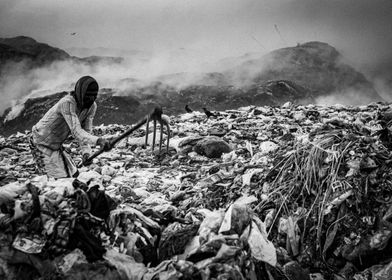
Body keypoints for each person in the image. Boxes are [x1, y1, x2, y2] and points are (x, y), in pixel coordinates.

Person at [29, 76, 111, 178]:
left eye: (94, 95)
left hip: (56, 145)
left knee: (74, 174)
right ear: (80, 92)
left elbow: (86, 131)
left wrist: (86, 153)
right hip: (41, 143)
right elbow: (76, 131)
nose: (91, 98)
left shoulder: (92, 106)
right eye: (88, 95)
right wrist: (99, 141)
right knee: (57, 181)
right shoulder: (67, 103)